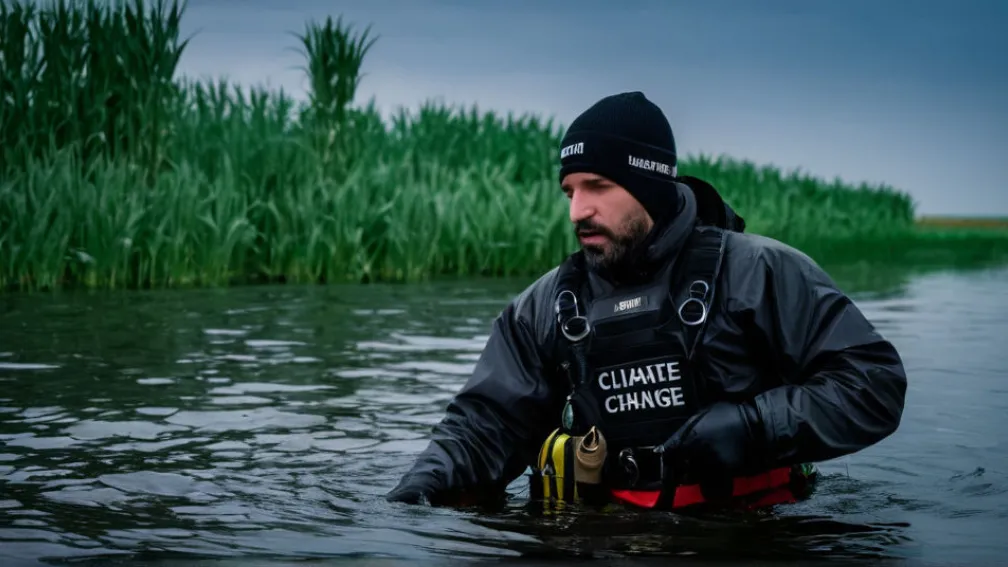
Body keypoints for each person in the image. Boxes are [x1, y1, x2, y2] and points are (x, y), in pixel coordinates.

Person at [385, 91, 908, 511]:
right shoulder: (543, 307)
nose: (577, 210)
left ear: (650, 186)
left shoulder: (759, 272)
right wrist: (414, 496)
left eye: (598, 186)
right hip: (599, 535)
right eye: (569, 191)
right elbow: (484, 427)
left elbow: (874, 384)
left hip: (751, 532)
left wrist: (754, 427)